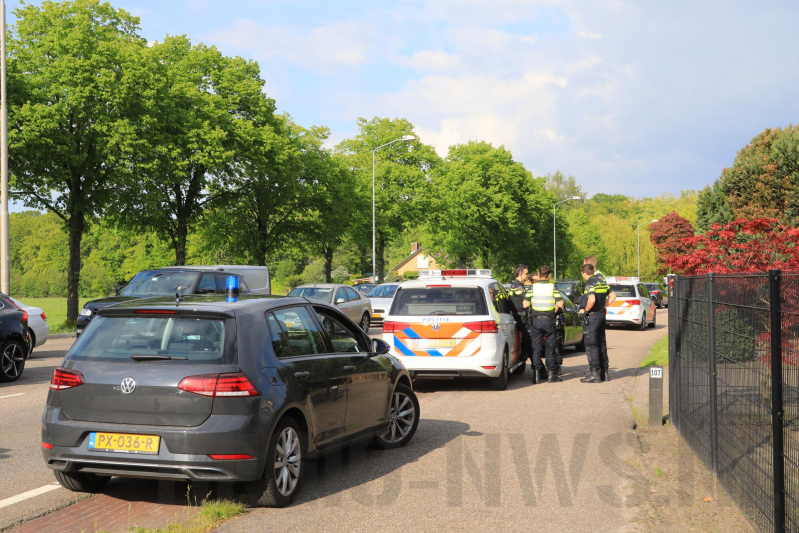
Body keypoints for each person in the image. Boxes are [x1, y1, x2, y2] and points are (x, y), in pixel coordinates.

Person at [524, 265, 564, 383]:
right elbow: (560, 303)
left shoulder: (533, 287)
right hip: (548, 320)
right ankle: (552, 375)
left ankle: (536, 375)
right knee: (550, 347)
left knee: (536, 348)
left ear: (539, 275)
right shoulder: (552, 287)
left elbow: (525, 304)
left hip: (536, 320)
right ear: (549, 276)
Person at [578, 263, 614, 383]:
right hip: (601, 315)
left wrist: (585, 311)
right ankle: (605, 373)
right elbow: (613, 296)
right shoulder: (601, 281)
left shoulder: (589, 284)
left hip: (592, 316)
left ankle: (595, 374)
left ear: (584, 273)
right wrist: (602, 306)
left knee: (591, 344)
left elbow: (591, 299)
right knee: (601, 343)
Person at [507, 264, 533, 370]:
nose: (527, 276)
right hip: (520, 316)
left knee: (528, 338)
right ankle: (526, 355)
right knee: (529, 338)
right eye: (526, 273)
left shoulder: (518, 285)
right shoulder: (517, 286)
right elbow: (528, 299)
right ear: (520, 273)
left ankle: (526, 356)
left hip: (522, 316)